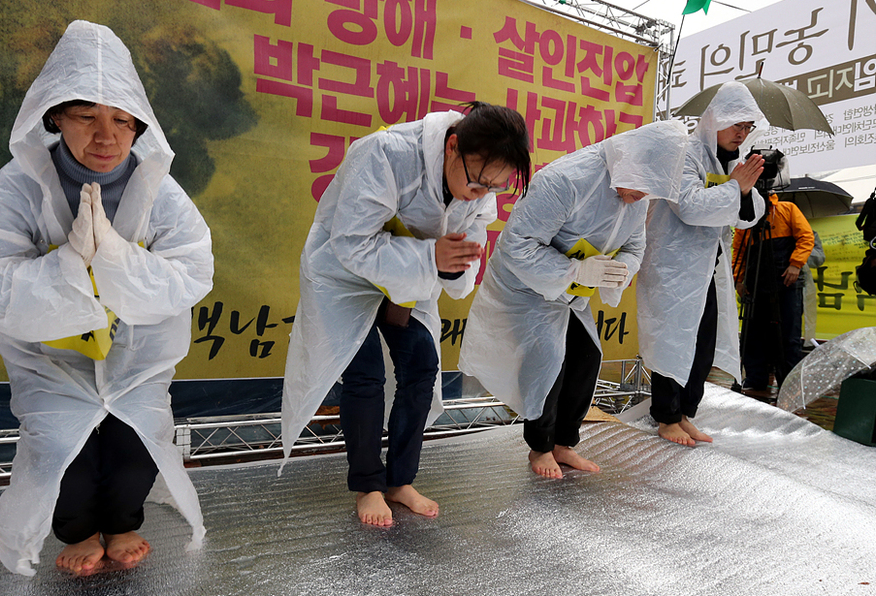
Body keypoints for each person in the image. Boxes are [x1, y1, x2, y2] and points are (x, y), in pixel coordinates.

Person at [0, 21, 213, 575]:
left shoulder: (157, 190)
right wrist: (67, 263)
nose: (106, 136)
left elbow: (191, 270)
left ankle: (121, 525)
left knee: (134, 442)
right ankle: (79, 531)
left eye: (121, 120)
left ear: (139, 125)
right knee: (58, 451)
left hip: (137, 355)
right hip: (50, 359)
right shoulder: (16, 187)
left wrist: (115, 256)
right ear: (55, 117)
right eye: (86, 116)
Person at [279, 102, 532, 526]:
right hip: (344, 276)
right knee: (366, 375)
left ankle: (399, 480)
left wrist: (452, 265)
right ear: (453, 146)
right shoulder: (385, 153)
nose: (481, 193)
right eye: (477, 181)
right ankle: (367, 485)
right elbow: (352, 242)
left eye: (494, 186)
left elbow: (463, 257)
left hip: (410, 281)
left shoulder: (479, 191)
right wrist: (430, 254)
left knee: (422, 364)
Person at [459, 120, 689, 478]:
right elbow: (521, 245)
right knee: (547, 360)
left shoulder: (638, 190)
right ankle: (540, 447)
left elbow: (635, 244)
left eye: (651, 192)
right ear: (630, 163)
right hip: (526, 284)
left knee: (587, 356)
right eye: (642, 188)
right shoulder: (565, 180)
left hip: (571, 291)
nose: (641, 198)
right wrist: (575, 272)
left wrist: (622, 269)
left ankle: (564, 443)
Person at [637, 81, 766, 447]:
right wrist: (734, 188)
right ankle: (665, 417)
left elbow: (751, 213)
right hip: (672, 266)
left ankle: (683, 413)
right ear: (715, 120)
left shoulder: (728, 163)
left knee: (702, 345)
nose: (741, 133)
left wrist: (740, 188)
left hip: (705, 269)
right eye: (736, 124)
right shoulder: (685, 153)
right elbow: (690, 205)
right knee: (673, 341)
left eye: (747, 127)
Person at [733, 193, 814, 391]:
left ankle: (789, 385)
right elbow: (738, 250)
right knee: (752, 334)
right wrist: (738, 280)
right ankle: (755, 379)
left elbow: (806, 237)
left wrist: (795, 264)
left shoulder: (788, 209)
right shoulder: (746, 215)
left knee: (788, 335)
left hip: (786, 281)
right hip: (755, 281)